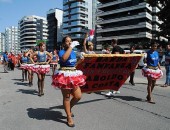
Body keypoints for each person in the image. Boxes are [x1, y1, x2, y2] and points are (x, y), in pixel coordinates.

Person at [52, 36, 86, 127]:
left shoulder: (74, 52)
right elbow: (63, 59)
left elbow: (74, 64)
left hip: (73, 75)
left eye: (70, 41)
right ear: (63, 44)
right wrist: (71, 47)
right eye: (67, 41)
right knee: (67, 97)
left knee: (78, 96)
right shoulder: (62, 51)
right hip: (64, 76)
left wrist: (80, 60)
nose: (69, 43)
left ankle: (68, 108)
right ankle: (69, 117)